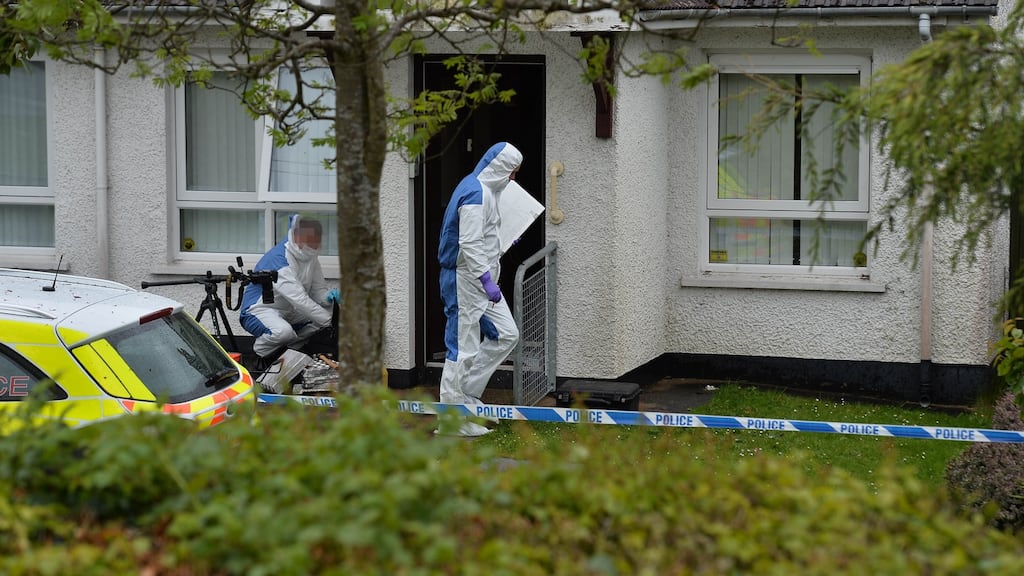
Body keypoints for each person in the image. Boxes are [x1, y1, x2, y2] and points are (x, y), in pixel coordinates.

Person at [437, 142, 523, 436]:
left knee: (506, 335)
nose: (513, 179)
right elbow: (469, 244)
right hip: (466, 281)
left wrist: (501, 243)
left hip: (480, 281)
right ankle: (451, 421)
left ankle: (467, 399)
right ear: (500, 167)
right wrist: (486, 281)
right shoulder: (476, 192)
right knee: (461, 349)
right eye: (512, 172)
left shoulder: (485, 190)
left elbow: (481, 238)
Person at [240, 214, 340, 360]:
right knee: (283, 332)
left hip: (289, 310)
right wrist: (332, 323)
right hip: (260, 311)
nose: (315, 248)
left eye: (316, 243)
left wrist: (329, 298)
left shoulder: (310, 257)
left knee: (329, 312)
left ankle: (290, 351)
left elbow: (318, 290)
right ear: (296, 236)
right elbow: (299, 299)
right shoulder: (279, 259)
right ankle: (260, 355)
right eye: (311, 243)